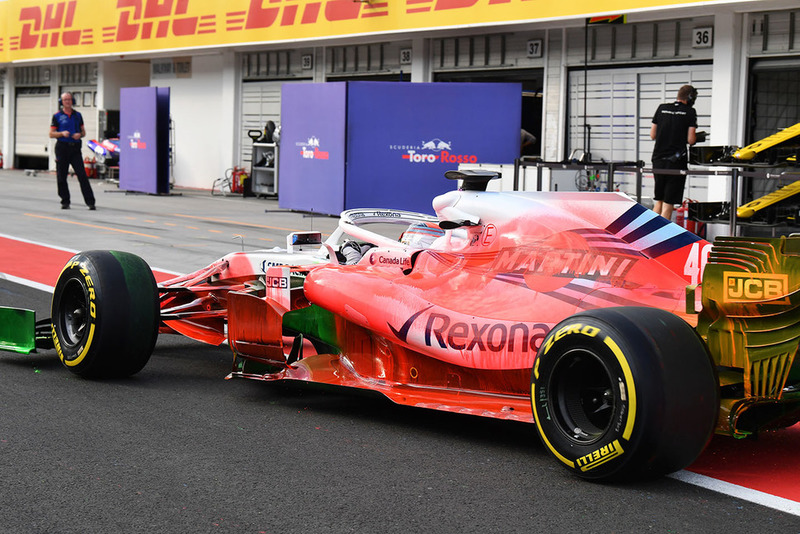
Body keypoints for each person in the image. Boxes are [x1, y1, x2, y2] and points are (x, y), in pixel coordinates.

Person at [650, 84, 698, 220]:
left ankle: (647, 235)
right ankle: (661, 238)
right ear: (690, 97)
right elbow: (691, 139)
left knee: (658, 200)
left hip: (658, 160)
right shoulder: (690, 112)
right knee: (668, 203)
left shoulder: (662, 108)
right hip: (675, 162)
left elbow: (652, 135)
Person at [49, 92, 96, 210]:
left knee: (82, 175)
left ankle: (90, 202)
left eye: (69, 99)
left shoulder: (78, 115)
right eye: (65, 100)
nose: (68, 102)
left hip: (75, 148)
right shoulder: (57, 116)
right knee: (61, 176)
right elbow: (51, 133)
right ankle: (65, 201)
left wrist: (79, 135)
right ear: (62, 102)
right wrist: (61, 133)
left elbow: (83, 132)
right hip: (62, 147)